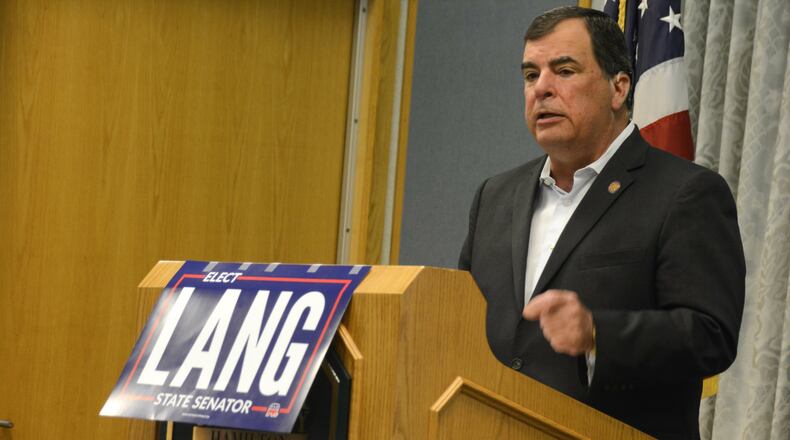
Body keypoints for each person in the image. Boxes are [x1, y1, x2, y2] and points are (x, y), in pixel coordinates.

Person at [458, 6, 745, 439]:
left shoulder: (685, 193)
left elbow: (711, 336)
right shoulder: (496, 196)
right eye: (531, 75)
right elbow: (461, 319)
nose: (542, 89)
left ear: (618, 87)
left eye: (565, 70)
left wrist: (598, 334)